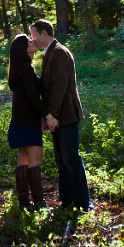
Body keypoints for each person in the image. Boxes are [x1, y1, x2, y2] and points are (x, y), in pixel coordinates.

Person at [30, 19, 91, 211]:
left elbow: (60, 87)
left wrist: (52, 115)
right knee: (62, 162)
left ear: (45, 33)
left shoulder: (60, 53)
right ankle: (67, 202)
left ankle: (83, 203)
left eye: (34, 36)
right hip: (56, 117)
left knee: (71, 159)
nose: (34, 40)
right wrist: (48, 116)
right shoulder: (49, 54)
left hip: (66, 116)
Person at [7, 32, 46, 209]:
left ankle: (24, 202)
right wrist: (47, 114)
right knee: (36, 159)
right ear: (24, 49)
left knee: (23, 157)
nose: (33, 41)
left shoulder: (18, 68)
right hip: (28, 121)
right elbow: (32, 97)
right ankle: (38, 203)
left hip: (18, 120)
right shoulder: (26, 69)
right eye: (29, 41)